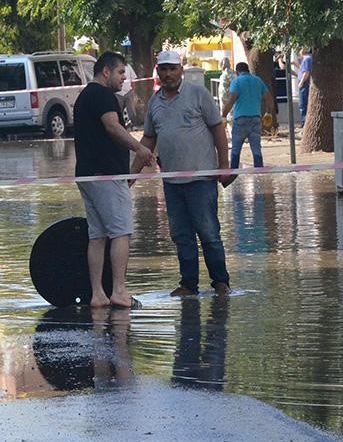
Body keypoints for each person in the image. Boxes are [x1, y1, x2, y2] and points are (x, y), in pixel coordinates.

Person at [137, 50, 234, 297]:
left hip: (201, 180)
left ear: (180, 69)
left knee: (209, 232)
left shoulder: (198, 94)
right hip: (171, 182)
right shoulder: (154, 102)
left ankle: (221, 282)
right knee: (181, 235)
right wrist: (129, 177)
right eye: (163, 69)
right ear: (157, 72)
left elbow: (218, 129)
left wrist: (224, 165)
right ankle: (188, 285)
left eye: (172, 68)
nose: (168, 74)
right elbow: (147, 140)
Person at [74, 51, 155, 308]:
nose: (124, 79)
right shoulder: (103, 96)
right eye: (121, 72)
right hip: (106, 176)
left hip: (87, 175)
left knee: (97, 234)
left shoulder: (85, 96)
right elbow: (112, 126)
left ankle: (98, 294)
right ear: (106, 72)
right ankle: (119, 290)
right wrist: (139, 149)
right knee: (121, 232)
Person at [222, 61, 267, 170]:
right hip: (256, 119)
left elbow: (231, 100)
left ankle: (234, 173)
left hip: (240, 120)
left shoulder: (236, 82)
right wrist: (268, 113)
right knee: (256, 149)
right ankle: (259, 173)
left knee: (236, 149)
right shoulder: (258, 81)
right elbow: (269, 98)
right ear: (248, 70)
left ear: (237, 72)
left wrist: (223, 115)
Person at [297, 49, 313, 123]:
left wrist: (301, 82)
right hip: (305, 83)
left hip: (304, 84)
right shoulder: (308, 59)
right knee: (303, 104)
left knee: (303, 104)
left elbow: (306, 72)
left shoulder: (307, 59)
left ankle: (304, 123)